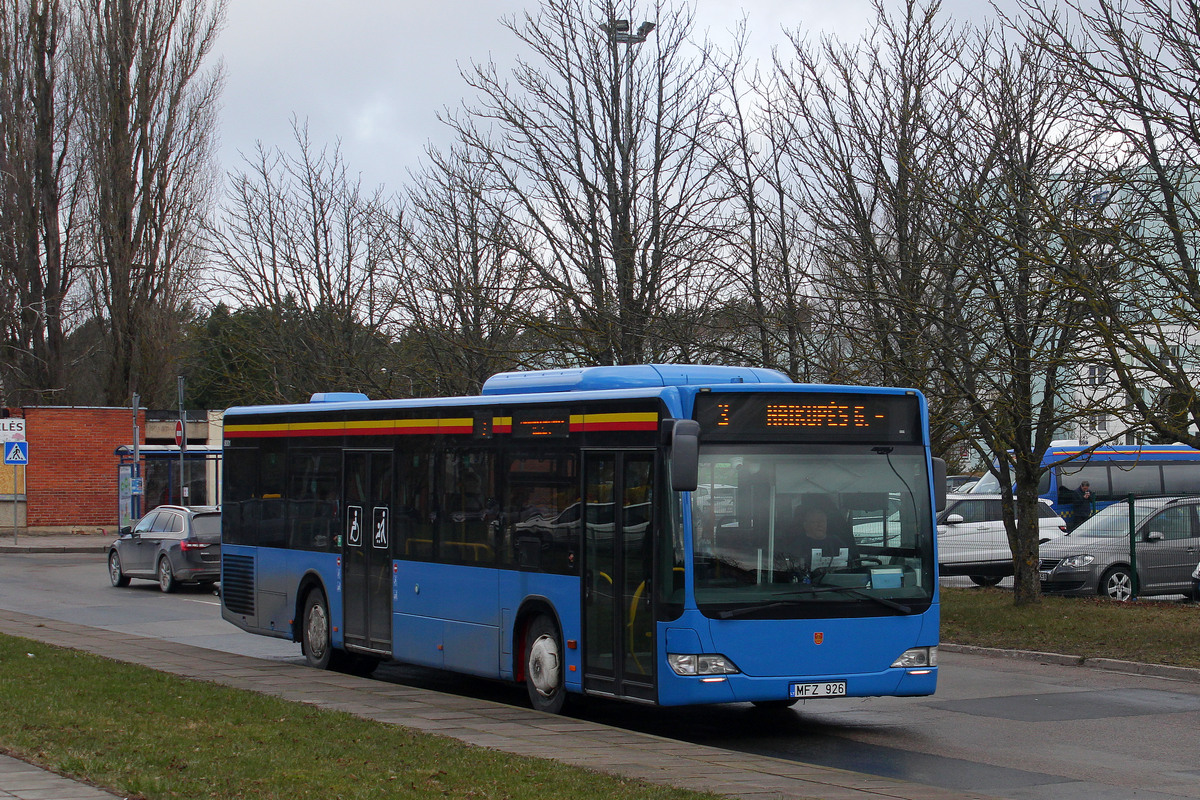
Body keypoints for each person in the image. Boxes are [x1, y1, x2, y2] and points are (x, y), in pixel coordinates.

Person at [790, 504, 858, 569]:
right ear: (805, 525)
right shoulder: (799, 545)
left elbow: (850, 564)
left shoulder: (836, 542)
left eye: (822, 521)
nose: (820, 525)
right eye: (815, 522)